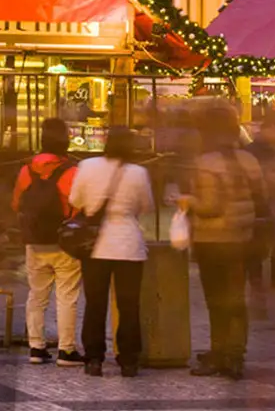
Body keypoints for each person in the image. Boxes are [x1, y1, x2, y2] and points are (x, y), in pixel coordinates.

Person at [184, 105, 264, 380]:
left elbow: (210, 206)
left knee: (216, 300)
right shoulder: (249, 160)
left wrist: (188, 201)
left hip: (213, 239)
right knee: (236, 299)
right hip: (243, 238)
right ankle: (236, 354)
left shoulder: (204, 163)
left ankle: (219, 353)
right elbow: (261, 197)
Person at [69, 124, 153, 378]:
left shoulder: (87, 166)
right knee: (129, 305)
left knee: (95, 303)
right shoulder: (138, 172)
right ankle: (129, 360)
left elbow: (75, 200)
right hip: (129, 245)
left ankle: (94, 358)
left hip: (95, 246)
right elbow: (146, 205)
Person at [12, 117, 83, 367]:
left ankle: (36, 347)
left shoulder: (27, 170)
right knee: (67, 296)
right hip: (64, 243)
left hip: (34, 242)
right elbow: (79, 205)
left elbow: (16, 204)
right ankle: (66, 350)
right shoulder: (72, 171)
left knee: (36, 295)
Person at [245, 117, 275, 292]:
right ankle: (256, 278)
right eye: (270, 129)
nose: (274, 133)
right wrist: (266, 176)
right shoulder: (251, 150)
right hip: (260, 200)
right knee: (258, 240)